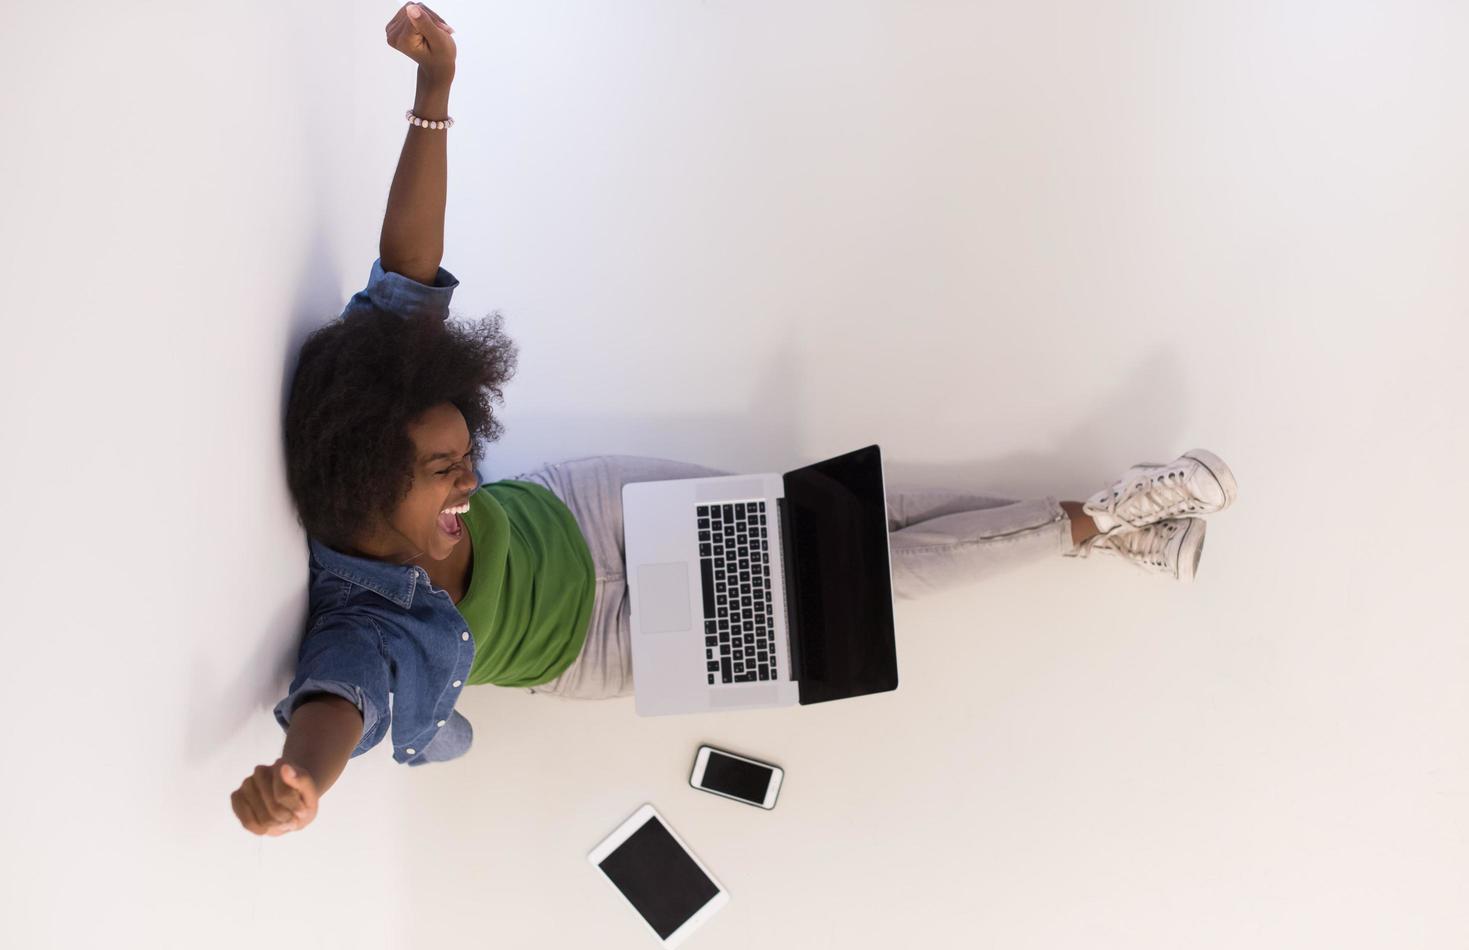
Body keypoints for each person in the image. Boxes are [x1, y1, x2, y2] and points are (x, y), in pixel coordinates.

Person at [230, 4, 1239, 837]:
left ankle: (1110, 526)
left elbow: (405, 272)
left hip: (591, 511)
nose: (466, 479)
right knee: (867, 587)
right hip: (607, 641)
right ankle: (1105, 519)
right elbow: (337, 700)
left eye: (461, 453)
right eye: (443, 470)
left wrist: (434, 93)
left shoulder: (375, 387)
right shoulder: (362, 623)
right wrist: (300, 776)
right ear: (367, 483)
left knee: (849, 515)